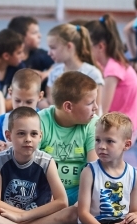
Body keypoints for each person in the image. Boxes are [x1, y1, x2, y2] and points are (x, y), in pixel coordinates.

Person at [38, 71, 99, 206]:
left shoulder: (94, 124)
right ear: (68, 107)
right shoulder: (39, 121)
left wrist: (82, 203)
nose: (96, 107)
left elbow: (95, 169)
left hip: (79, 193)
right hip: (44, 191)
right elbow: (27, 167)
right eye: (90, 103)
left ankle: (61, 216)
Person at [85, 15, 137, 143]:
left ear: (100, 47)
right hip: (129, 120)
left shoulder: (112, 70)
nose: (84, 51)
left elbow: (102, 111)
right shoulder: (108, 64)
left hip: (126, 130)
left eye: (87, 47)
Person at [46, 24, 103, 110]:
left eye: (53, 48)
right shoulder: (54, 73)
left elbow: (96, 110)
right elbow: (53, 106)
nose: (49, 53)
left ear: (69, 46)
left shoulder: (92, 74)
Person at [0, 69, 44, 155]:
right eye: (18, 100)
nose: (22, 106)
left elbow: (48, 150)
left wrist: (13, 146)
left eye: (29, 102)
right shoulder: (1, 121)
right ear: (10, 93)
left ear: (40, 96)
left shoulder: (45, 120)